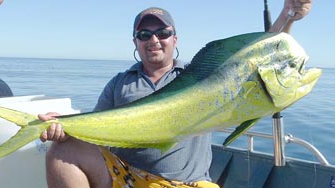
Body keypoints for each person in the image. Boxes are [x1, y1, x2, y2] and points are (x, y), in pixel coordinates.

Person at [39, 0, 312, 187]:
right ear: (135, 42)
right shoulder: (120, 84)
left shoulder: (200, 77)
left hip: (190, 184)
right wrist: (63, 125)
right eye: (145, 34)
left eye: (163, 32)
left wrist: (287, 16)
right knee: (62, 150)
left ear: (175, 39)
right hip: (130, 178)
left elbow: (257, 59)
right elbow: (98, 128)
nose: (154, 39)